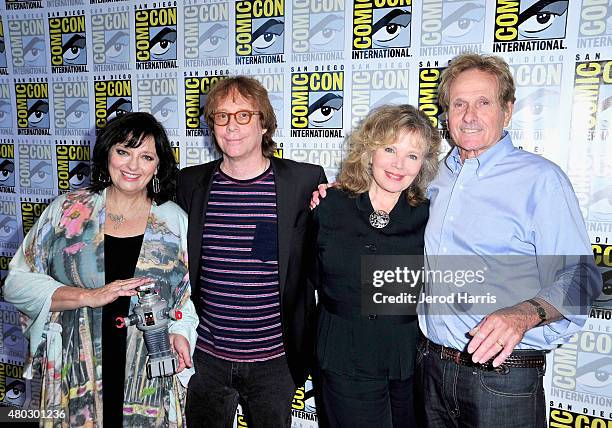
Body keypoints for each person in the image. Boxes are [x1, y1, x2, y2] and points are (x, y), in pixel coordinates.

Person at [415, 53, 602, 427]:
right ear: (446, 114)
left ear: (507, 110)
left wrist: (523, 314)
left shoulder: (541, 180)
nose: (469, 115)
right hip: (430, 369)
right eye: (459, 104)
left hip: (503, 377)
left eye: (484, 102)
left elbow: (583, 279)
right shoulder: (432, 177)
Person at [4, 112, 198, 427]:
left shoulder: (175, 220)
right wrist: (88, 296)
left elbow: (186, 297)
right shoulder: (67, 211)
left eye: (145, 156)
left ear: (158, 166)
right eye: (123, 151)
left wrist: (179, 332)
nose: (132, 166)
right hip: (77, 365)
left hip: (150, 365)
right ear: (107, 152)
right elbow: (16, 283)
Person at [176, 76, 327, 428]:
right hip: (207, 357)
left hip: (275, 360)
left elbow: (322, 258)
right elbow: (172, 265)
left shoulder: (303, 181)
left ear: (264, 123)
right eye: (221, 116)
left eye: (243, 115)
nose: (231, 126)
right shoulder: (189, 184)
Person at [312, 104, 440, 428]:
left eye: (412, 155)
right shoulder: (329, 205)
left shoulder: (429, 215)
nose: (399, 164)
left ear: (422, 165)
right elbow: (308, 274)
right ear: (370, 152)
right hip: (345, 352)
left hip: (407, 358)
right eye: (390, 149)